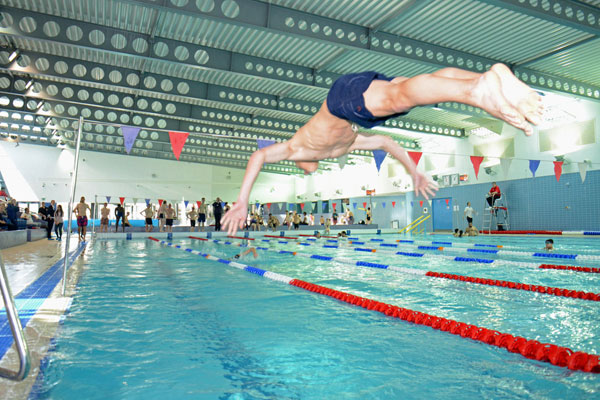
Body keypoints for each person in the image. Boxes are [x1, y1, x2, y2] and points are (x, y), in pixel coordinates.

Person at [222, 64, 542, 235]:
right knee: (407, 88)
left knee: (399, 96)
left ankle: (476, 89)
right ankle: (488, 79)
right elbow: (386, 142)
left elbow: (260, 155)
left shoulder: (297, 148)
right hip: (350, 105)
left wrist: (241, 200)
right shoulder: (335, 150)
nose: (307, 169)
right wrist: (414, 171)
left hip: (341, 102)